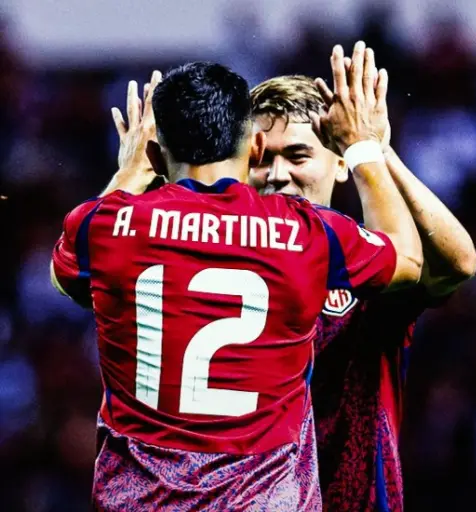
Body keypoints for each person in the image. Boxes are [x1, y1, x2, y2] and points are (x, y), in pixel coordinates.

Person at [51, 44, 422, 511]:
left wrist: (130, 172)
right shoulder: (303, 231)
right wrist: (363, 147)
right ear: (256, 147)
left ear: (155, 156)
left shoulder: (105, 225)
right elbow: (408, 259)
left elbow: (64, 276)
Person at [249, 61, 476, 511]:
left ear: (339, 164)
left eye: (297, 156)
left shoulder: (376, 263)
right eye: (261, 160)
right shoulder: (222, 263)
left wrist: (373, 149)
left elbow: (458, 263)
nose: (277, 174)